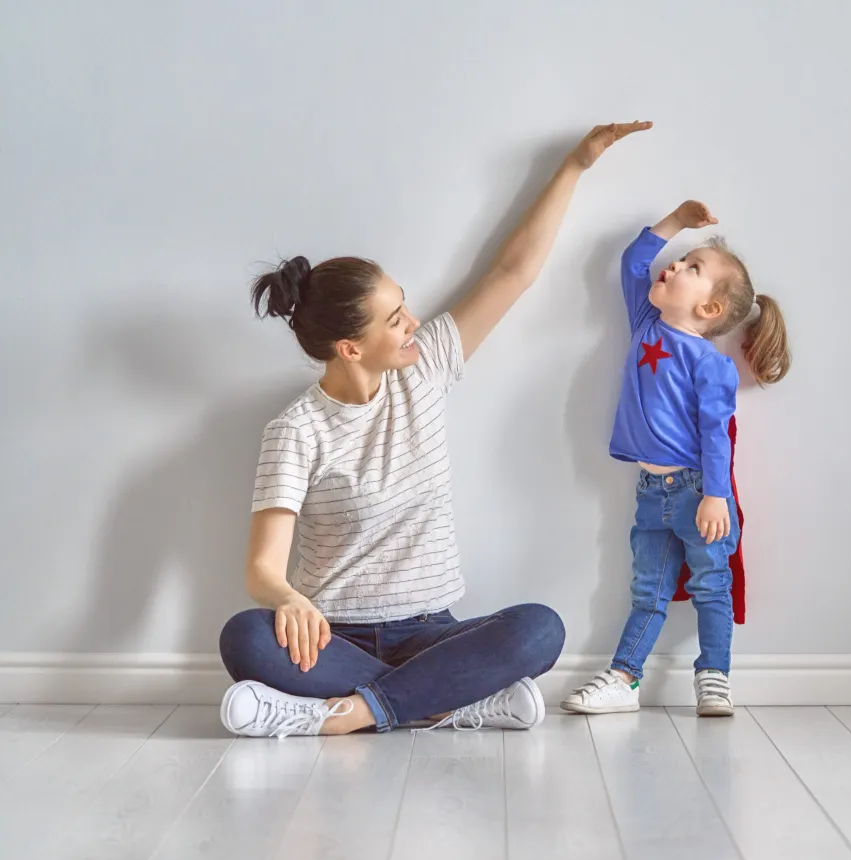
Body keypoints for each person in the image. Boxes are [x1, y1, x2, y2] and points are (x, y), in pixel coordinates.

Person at [217, 121, 652, 738]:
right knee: (244, 638)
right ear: (349, 347)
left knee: (540, 628)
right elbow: (262, 567)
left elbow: (513, 273)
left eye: (405, 305)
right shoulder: (296, 431)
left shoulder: (424, 369)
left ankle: (346, 714)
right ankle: (447, 703)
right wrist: (288, 601)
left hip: (431, 633)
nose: (413, 323)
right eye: (395, 320)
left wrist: (576, 164)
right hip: (330, 636)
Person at [560, 200, 791, 718]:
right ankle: (624, 678)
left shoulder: (711, 365)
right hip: (651, 493)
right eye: (680, 260)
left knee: (712, 586)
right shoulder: (646, 320)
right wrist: (675, 225)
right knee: (648, 590)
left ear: (709, 309)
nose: (673, 266)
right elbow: (632, 263)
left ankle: (714, 677)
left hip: (697, 492)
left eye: (692, 268)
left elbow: (717, 436)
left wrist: (715, 496)